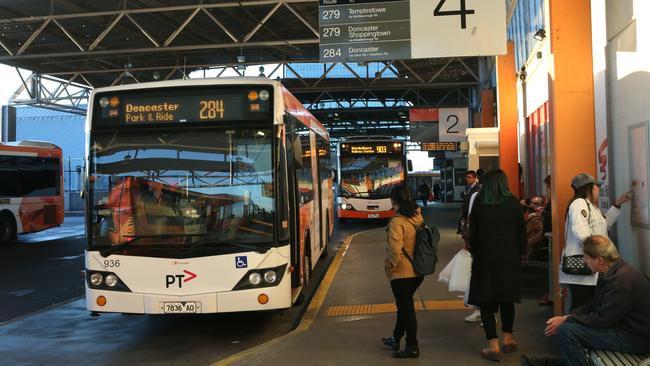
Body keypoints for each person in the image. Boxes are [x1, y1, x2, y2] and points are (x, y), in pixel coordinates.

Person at [545, 235, 650, 366]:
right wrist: (567, 316)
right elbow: (593, 306)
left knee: (567, 332)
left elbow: (602, 319)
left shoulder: (622, 280)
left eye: (587, 257)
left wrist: (566, 320)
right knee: (568, 328)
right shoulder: (612, 272)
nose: (584, 261)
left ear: (599, 260)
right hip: (623, 329)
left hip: (634, 339)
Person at [467, 169, 527, 361]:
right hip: (509, 259)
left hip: (485, 258)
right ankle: (508, 338)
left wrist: (476, 251)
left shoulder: (479, 202)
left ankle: (493, 345)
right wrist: (521, 253)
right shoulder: (513, 203)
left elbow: (472, 233)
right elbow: (521, 233)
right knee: (507, 298)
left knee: (486, 301)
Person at [561, 173, 632, 310]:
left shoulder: (592, 207)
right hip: (581, 268)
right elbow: (581, 232)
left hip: (591, 267)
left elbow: (604, 225)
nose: (599, 190)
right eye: (596, 187)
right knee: (581, 307)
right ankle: (571, 331)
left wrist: (617, 204)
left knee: (588, 307)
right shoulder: (579, 204)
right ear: (589, 188)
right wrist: (603, 251)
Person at [382, 185, 424, 358]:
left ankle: (412, 346)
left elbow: (395, 249)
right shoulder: (417, 216)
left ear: (393, 201)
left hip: (402, 274)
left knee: (406, 309)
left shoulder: (397, 222)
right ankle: (396, 337)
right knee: (404, 306)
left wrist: (390, 267)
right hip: (418, 271)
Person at [457, 170, 480, 235]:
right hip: (466, 214)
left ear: (475, 178)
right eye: (467, 177)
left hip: (471, 215)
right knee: (465, 234)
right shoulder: (468, 187)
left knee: (469, 235)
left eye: (470, 177)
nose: (467, 179)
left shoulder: (477, 189)